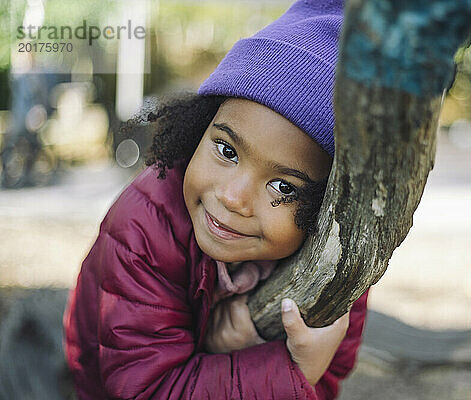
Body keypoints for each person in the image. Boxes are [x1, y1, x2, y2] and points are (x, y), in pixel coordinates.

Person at [63, 0, 369, 398]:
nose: (233, 197)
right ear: (200, 127)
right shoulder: (145, 225)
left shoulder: (337, 261)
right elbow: (143, 387)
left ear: (327, 206)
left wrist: (297, 366)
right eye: (227, 151)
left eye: (284, 188)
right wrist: (295, 370)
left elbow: (332, 370)